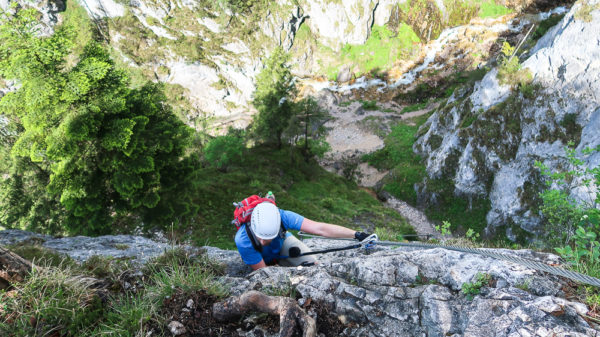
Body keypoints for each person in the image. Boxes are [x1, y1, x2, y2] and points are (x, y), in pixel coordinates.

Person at [235, 201, 371, 270]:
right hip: (261, 258)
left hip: (282, 244)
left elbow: (320, 228)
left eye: (267, 237)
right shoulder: (243, 241)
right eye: (260, 238)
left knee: (315, 267)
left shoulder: (283, 216)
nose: (262, 242)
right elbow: (263, 273)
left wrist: (356, 234)